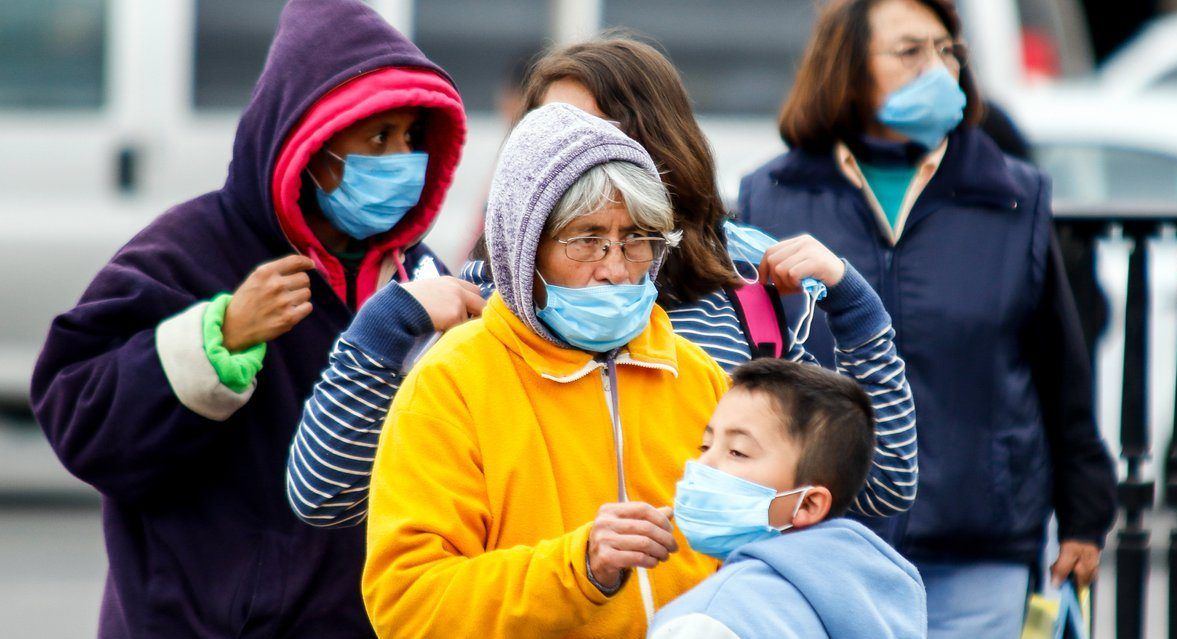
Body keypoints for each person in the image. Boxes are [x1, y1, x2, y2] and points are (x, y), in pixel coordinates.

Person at [288, 36, 917, 538]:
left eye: (597, 135)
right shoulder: (488, 310)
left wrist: (858, 313)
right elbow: (329, 497)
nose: (567, 158)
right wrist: (382, 331)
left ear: (659, 145)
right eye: (545, 135)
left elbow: (873, 488)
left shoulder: (749, 297)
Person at [29, 0, 479, 635]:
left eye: (412, 138)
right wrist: (220, 336)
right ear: (313, 145)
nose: (402, 159)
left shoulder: (420, 278)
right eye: (379, 137)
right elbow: (77, 416)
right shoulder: (188, 251)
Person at [736, 1, 1118, 636]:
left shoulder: (1010, 193)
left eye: (947, 51)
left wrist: (1084, 514)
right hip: (822, 539)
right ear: (849, 68)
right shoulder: (774, 193)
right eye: (910, 51)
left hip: (977, 548)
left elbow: (1059, 365)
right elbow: (751, 371)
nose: (938, 70)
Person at [359, 103, 723, 637]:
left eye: (638, 238)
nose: (616, 269)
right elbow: (408, 604)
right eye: (586, 239)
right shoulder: (451, 385)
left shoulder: (698, 377)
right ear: (522, 249)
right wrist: (581, 569)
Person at [649, 359, 926, 639]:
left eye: (738, 451)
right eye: (705, 445)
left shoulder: (708, 620)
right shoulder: (880, 601)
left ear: (807, 504)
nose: (701, 465)